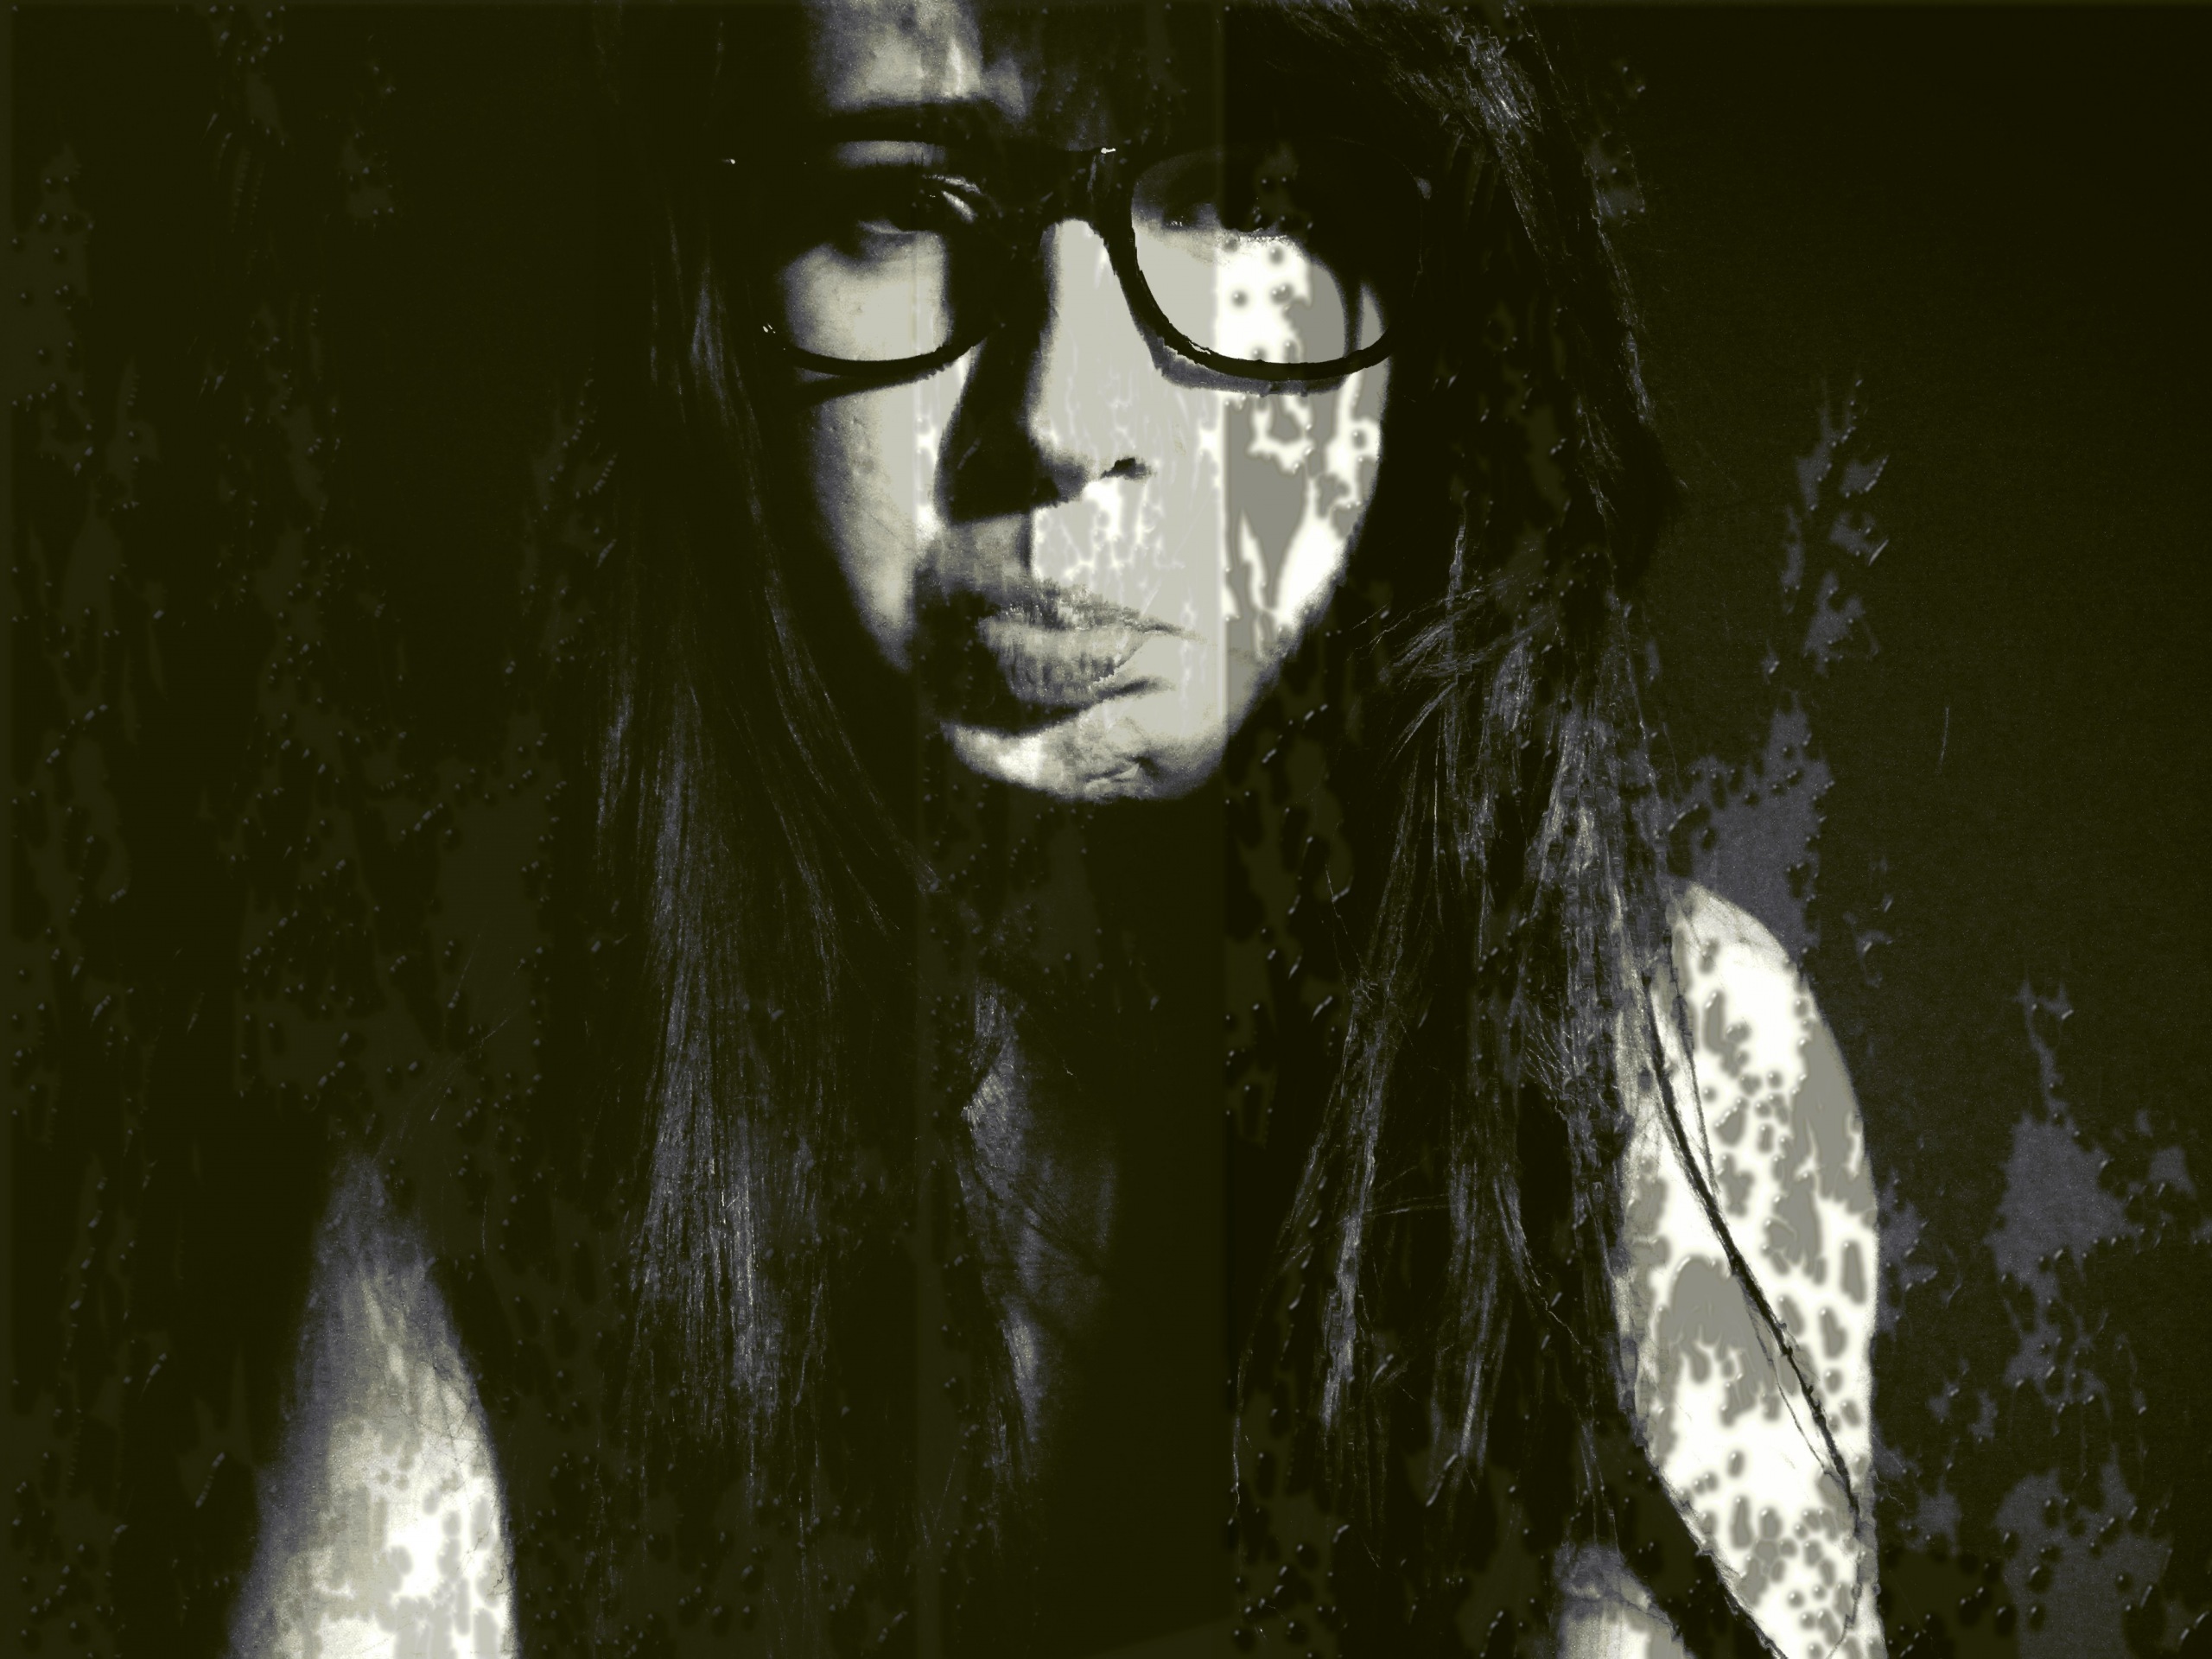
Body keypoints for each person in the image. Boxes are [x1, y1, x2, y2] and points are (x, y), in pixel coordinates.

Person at [232, 1, 1885, 1655]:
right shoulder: (518, 1113)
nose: (1062, 414)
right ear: (720, 317)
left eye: (1238, 202)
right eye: (901, 204)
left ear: (1441, 305)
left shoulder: (1673, 1062)